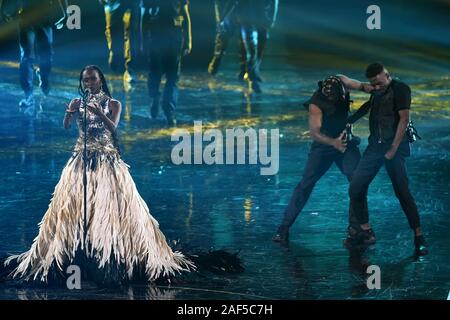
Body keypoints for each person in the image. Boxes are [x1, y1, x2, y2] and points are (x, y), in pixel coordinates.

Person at [4, 65, 194, 283]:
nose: (89, 84)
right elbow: (67, 127)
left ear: (100, 80)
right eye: (85, 80)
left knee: (109, 207)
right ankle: (77, 253)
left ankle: (110, 254)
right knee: (73, 208)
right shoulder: (81, 103)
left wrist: (99, 114)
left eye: (92, 79)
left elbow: (113, 128)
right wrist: (70, 111)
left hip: (106, 161)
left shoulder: (114, 103)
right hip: (81, 161)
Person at [272, 75, 374, 246]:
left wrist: (380, 88)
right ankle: (283, 228)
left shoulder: (343, 81)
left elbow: (364, 87)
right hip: (324, 145)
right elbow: (315, 133)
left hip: (345, 142)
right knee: (306, 184)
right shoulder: (316, 104)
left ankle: (356, 228)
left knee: (358, 181)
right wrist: (334, 142)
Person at [345, 63, 428, 256]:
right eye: (372, 83)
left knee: (402, 191)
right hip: (375, 147)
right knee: (356, 187)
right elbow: (370, 104)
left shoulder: (401, 89)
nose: (376, 86)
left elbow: (404, 119)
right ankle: (366, 231)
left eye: (379, 82)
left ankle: (419, 236)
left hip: (395, 147)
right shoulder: (377, 89)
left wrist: (393, 148)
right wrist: (350, 120)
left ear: (387, 75)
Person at [0, 0, 67, 114]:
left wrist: (65, 12)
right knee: (28, 55)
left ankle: (42, 79)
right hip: (28, 15)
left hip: (42, 14)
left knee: (43, 54)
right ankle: (29, 94)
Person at [141, 0, 192, 127]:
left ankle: (169, 111)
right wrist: (143, 42)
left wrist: (188, 40)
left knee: (173, 76)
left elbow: (185, 15)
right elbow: (144, 17)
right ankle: (154, 98)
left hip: (174, 38)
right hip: (155, 38)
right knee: (155, 74)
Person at [235, 0, 278, 93]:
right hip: (246, 17)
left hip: (262, 17)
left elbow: (275, 2)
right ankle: (251, 75)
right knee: (250, 48)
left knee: (260, 48)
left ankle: (253, 71)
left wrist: (272, 19)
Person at [99, 0, 141, 83]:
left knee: (131, 33)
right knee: (112, 32)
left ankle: (130, 69)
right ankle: (116, 58)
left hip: (131, 3)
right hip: (111, 3)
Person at [207, 0, 247, 80]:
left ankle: (244, 69)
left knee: (242, 40)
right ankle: (215, 63)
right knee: (224, 35)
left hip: (241, 8)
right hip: (232, 9)